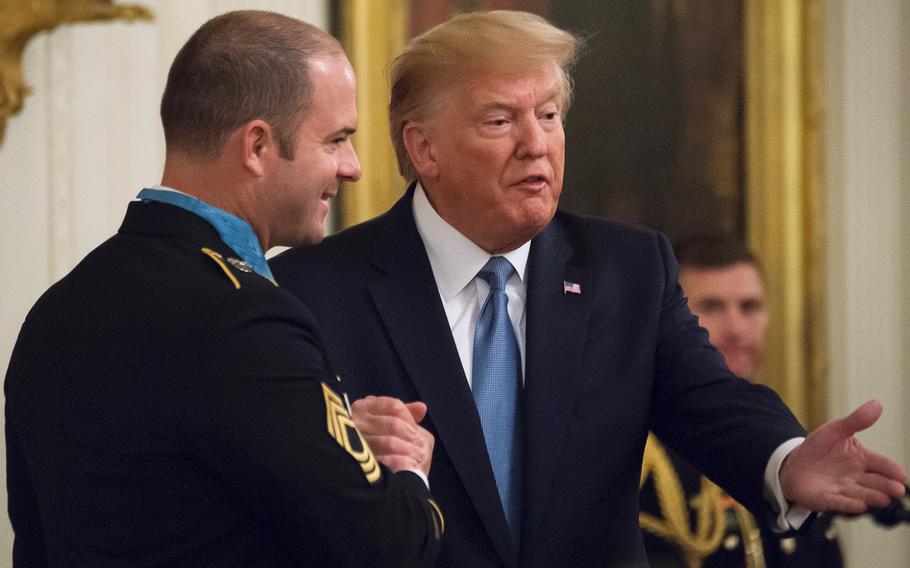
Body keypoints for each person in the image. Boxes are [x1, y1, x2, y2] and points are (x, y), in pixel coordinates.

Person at [270, 10, 907, 568]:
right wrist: (338, 451)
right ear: (424, 147)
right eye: (499, 120)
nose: (536, 144)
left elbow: (709, 399)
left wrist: (785, 460)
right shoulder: (315, 288)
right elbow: (278, 488)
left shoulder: (628, 269)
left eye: (548, 115)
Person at [5, 10, 443, 567]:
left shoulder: (58, 309)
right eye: (336, 140)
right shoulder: (246, 317)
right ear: (257, 146)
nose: (353, 167)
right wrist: (407, 468)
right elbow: (393, 547)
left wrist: (323, 437)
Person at [639, 235, 843, 567]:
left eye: (749, 307)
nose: (736, 328)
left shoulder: (791, 446)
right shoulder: (641, 460)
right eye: (711, 307)